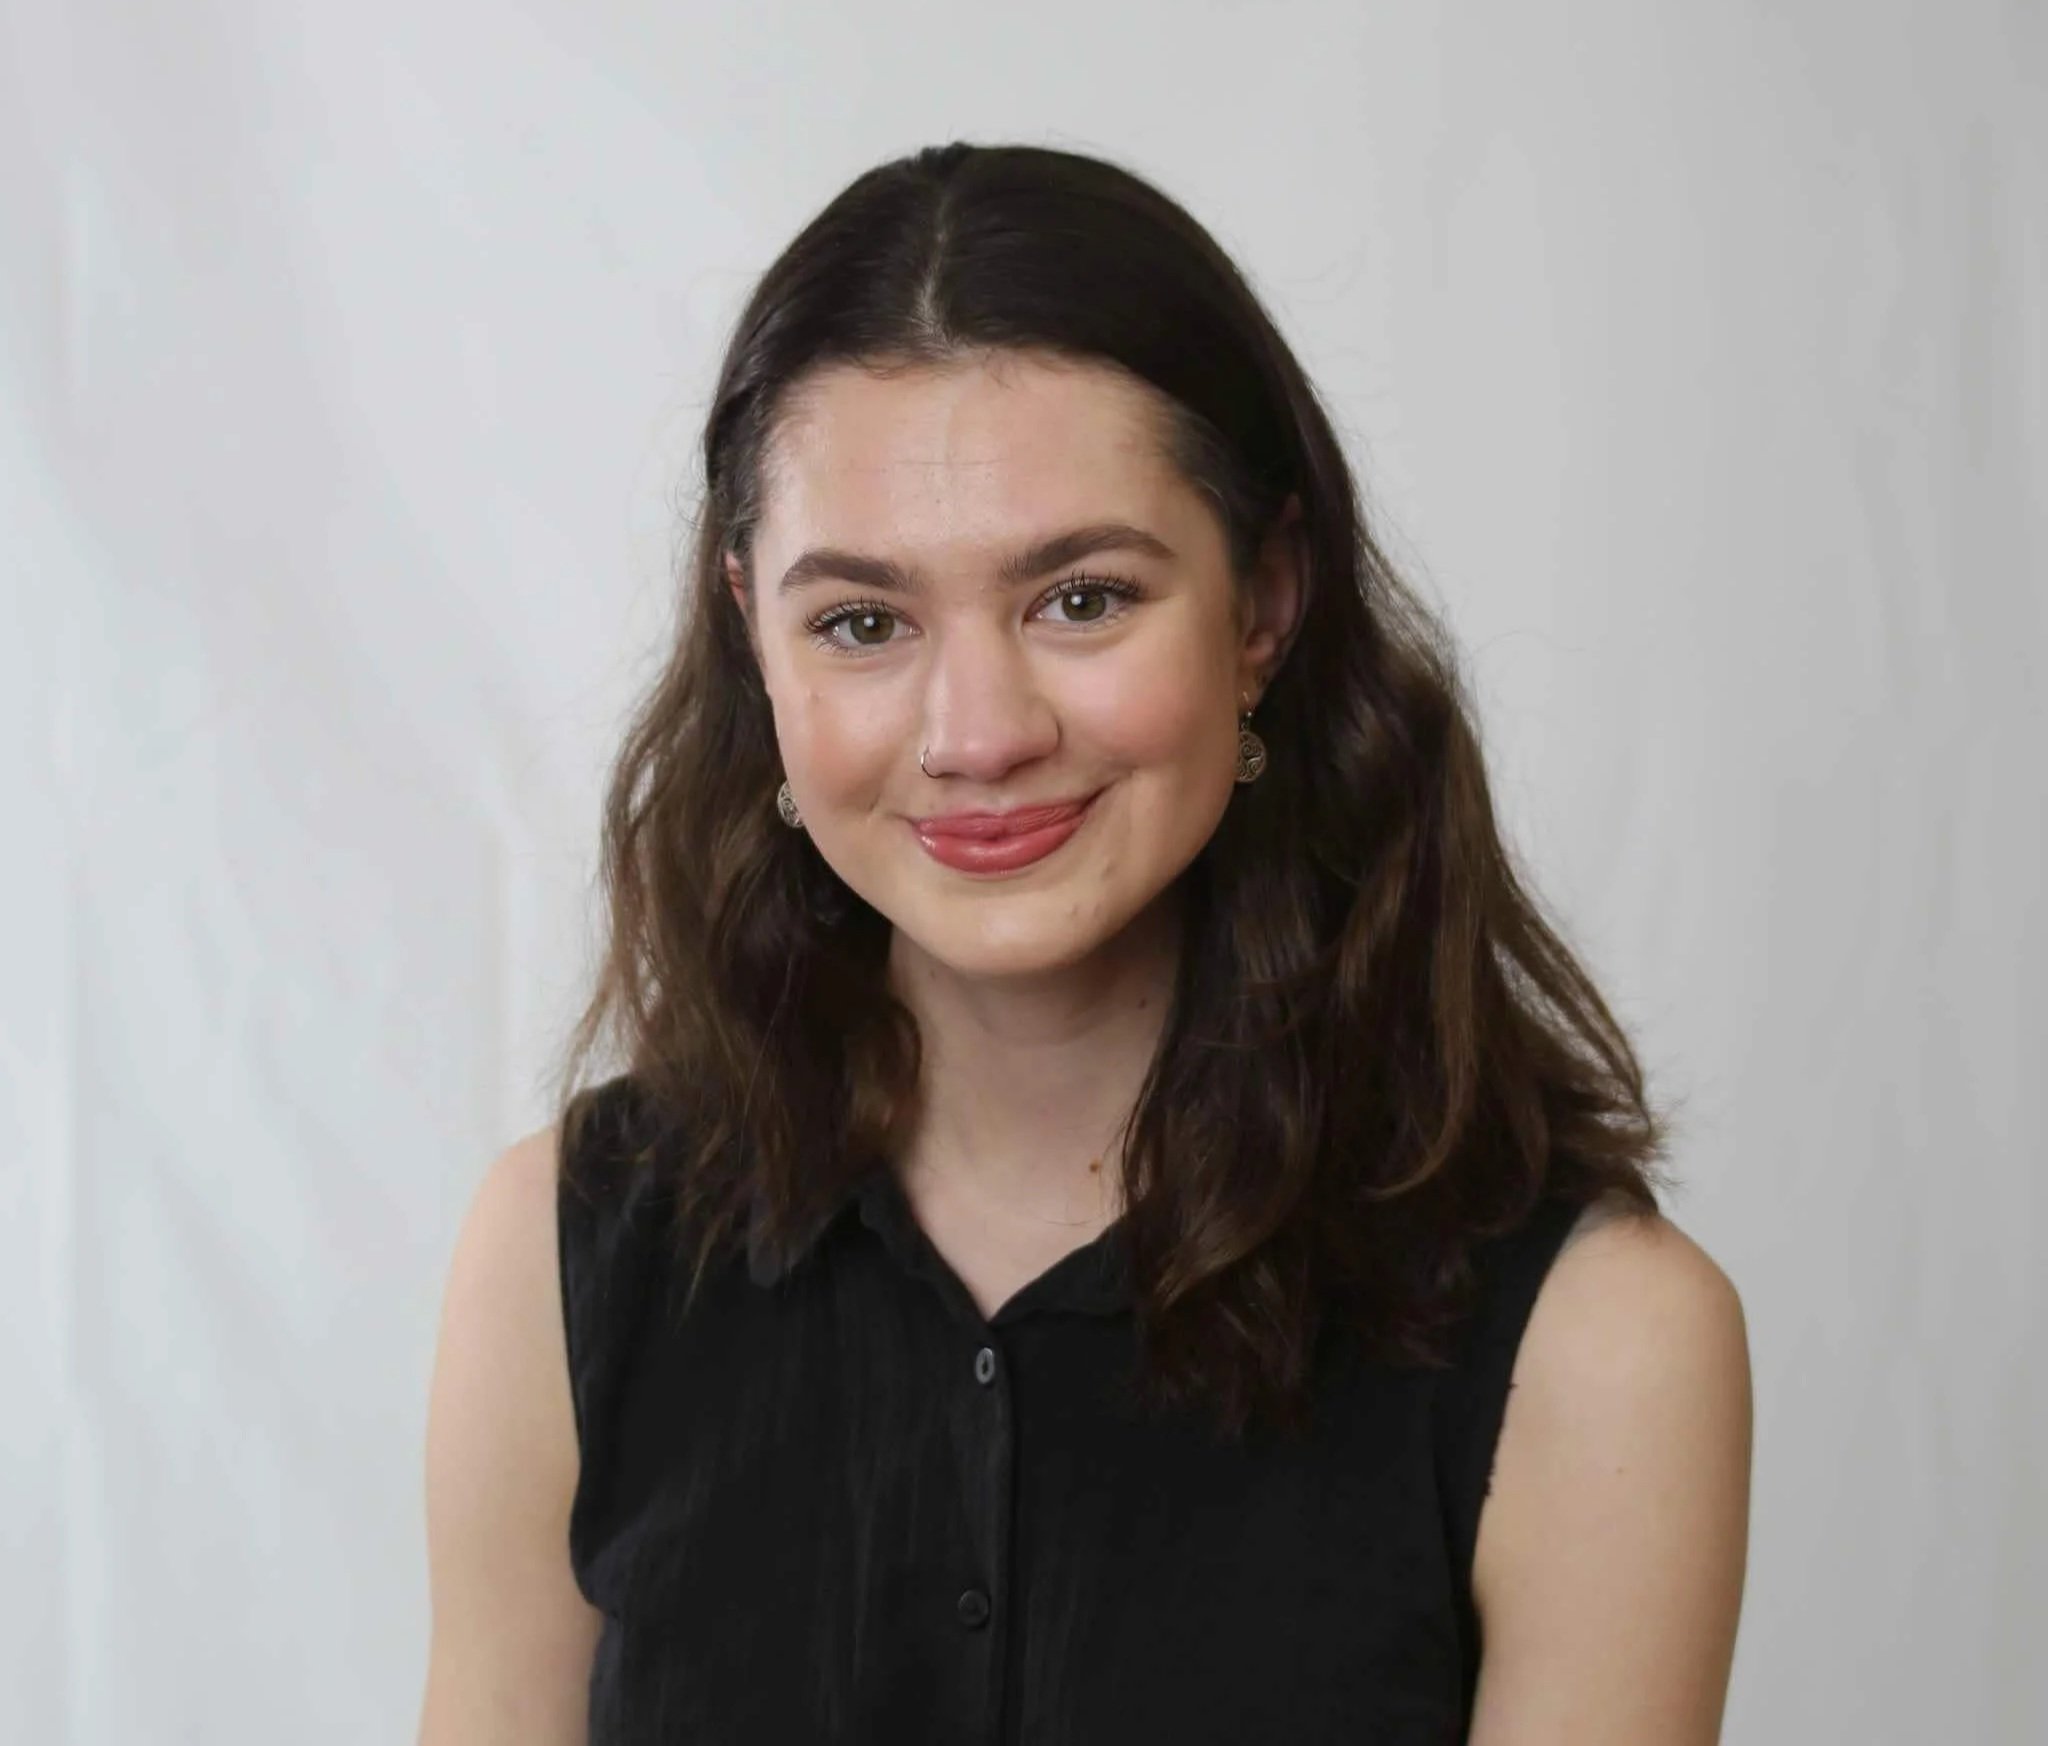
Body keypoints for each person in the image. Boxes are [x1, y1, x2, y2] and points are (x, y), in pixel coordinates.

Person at [417, 142, 1752, 1745]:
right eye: (861, 622)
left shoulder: (1601, 1341)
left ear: (1263, 602)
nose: (978, 735)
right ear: (748, 635)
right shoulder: (560, 1254)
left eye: (1084, 599)